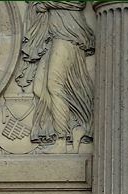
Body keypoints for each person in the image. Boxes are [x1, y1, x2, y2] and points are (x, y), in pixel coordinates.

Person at [19, 1, 94, 148]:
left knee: (54, 85)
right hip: (53, 37)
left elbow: (78, 2)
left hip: (69, 35)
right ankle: (74, 126)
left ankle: (61, 139)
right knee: (39, 88)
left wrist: (46, 3)